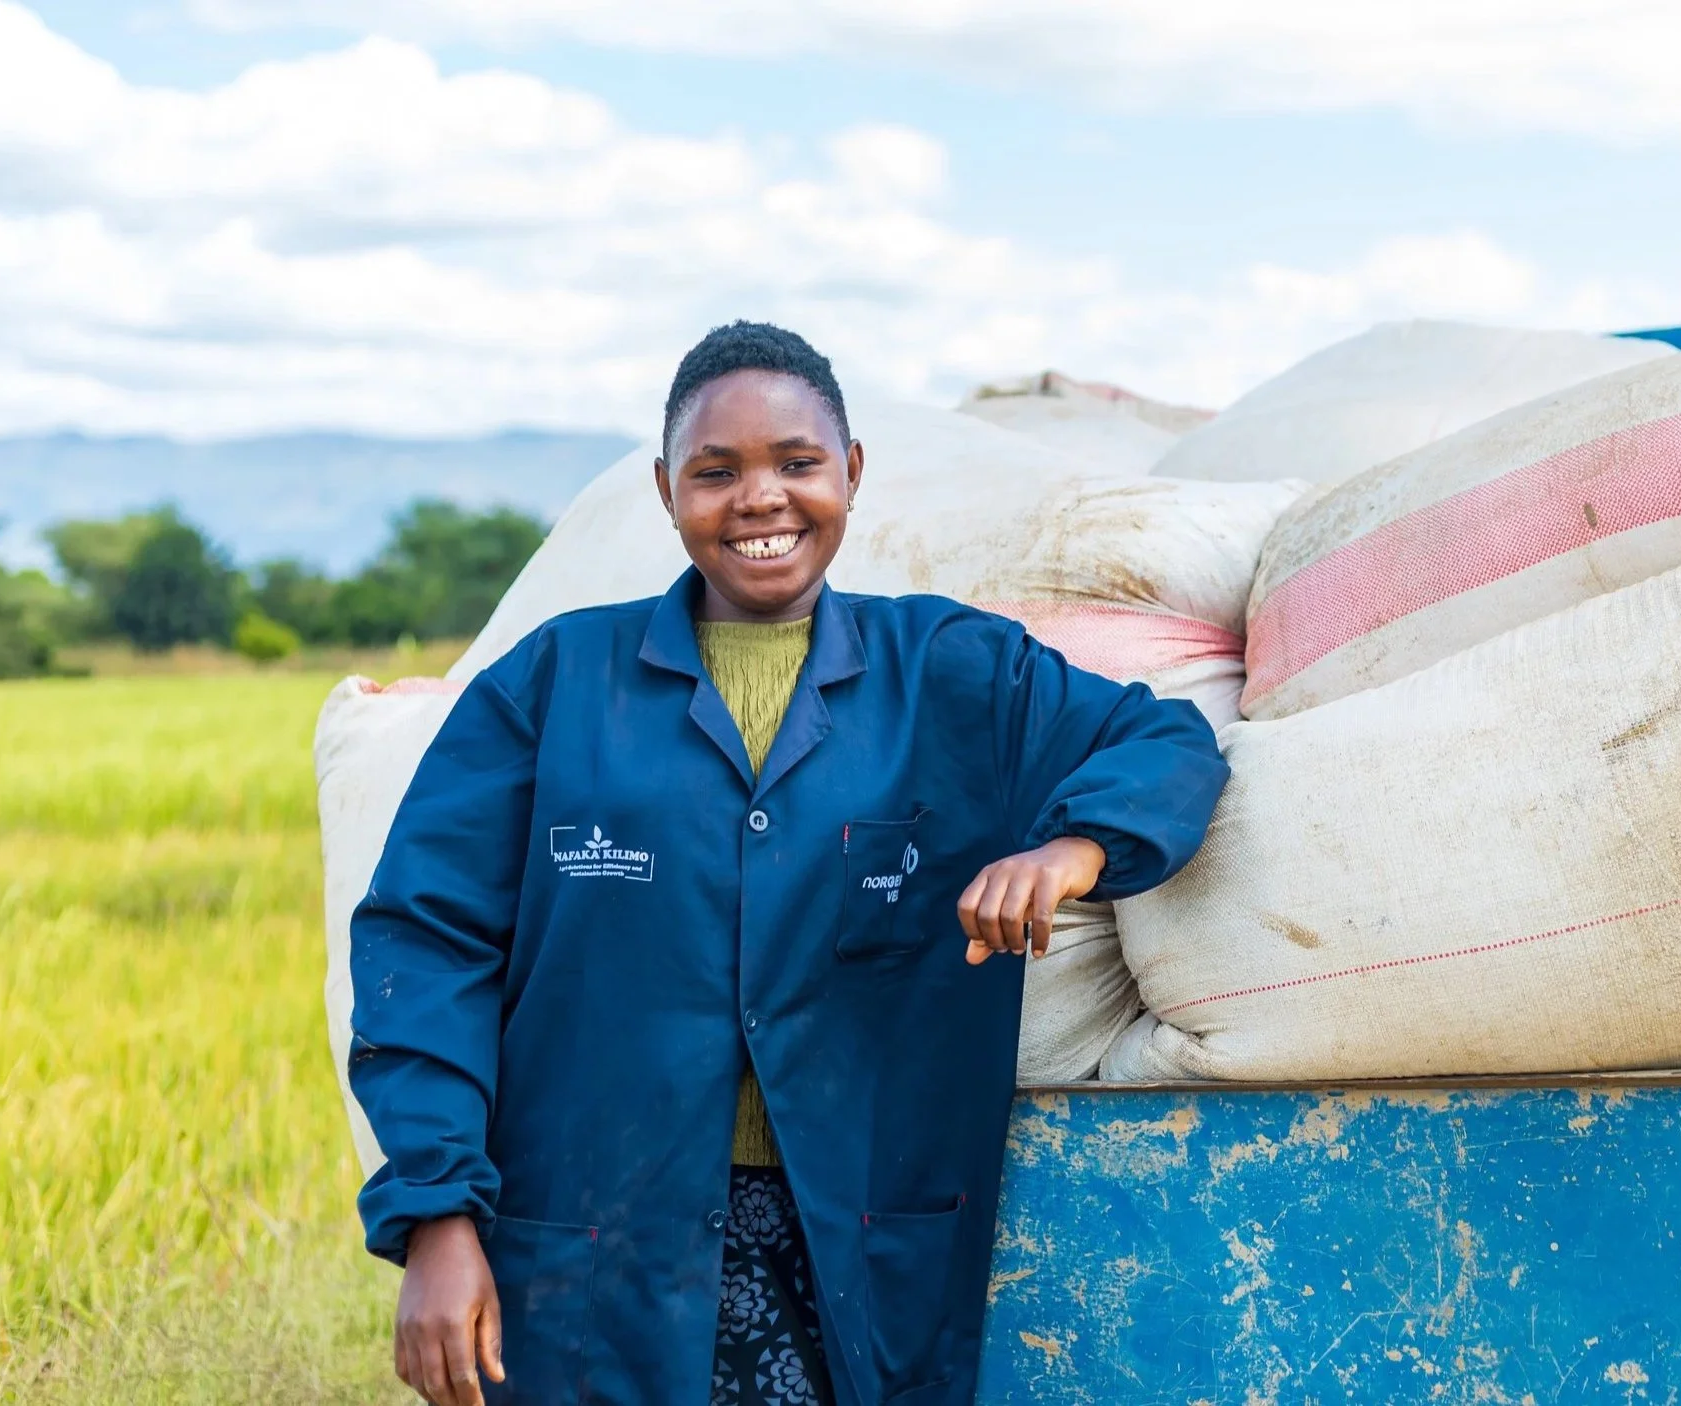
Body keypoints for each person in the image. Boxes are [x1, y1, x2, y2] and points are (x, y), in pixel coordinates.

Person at [348, 322, 1230, 1406]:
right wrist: (436, 1215)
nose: (759, 498)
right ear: (666, 491)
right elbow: (425, 943)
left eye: (797, 463)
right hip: (598, 1241)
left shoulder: (953, 673)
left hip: (850, 1244)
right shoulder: (557, 683)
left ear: (850, 473)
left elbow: (1166, 741)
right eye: (715, 472)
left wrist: (1072, 849)